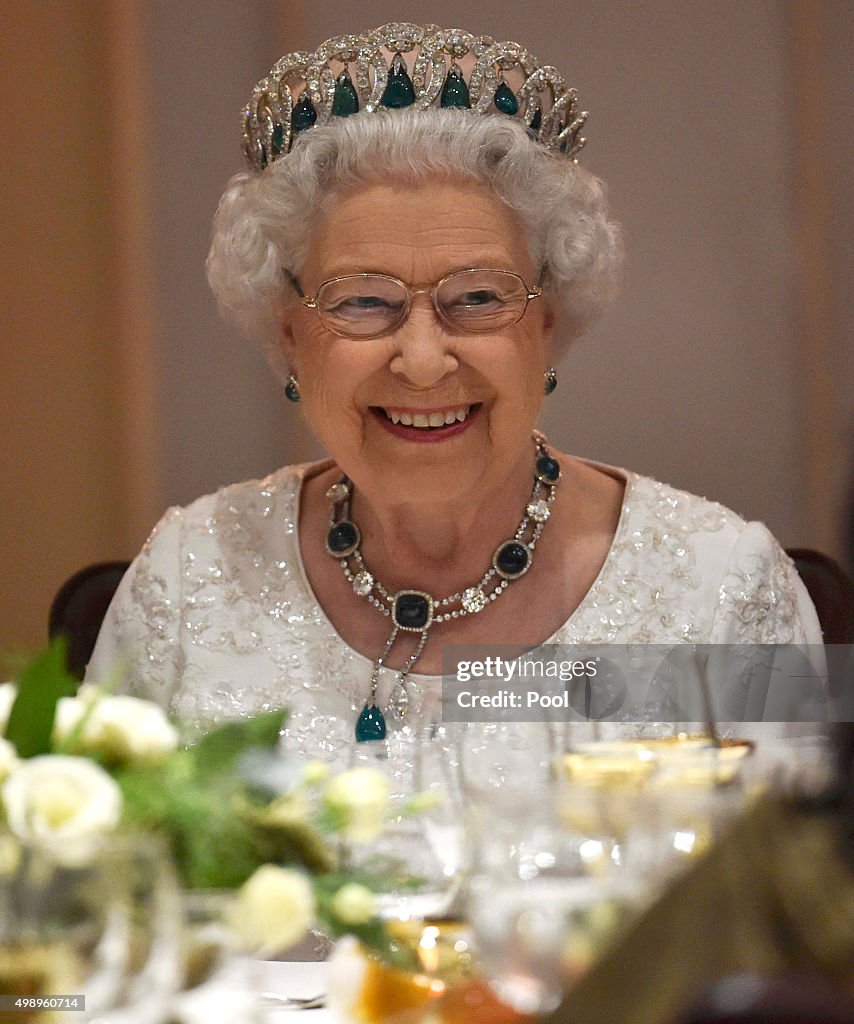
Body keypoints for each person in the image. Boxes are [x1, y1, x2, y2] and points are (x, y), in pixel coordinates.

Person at [86, 23, 822, 765]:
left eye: (476, 297)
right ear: (288, 336)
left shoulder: (721, 591)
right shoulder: (187, 576)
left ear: (548, 320)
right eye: (362, 302)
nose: (424, 360)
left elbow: (795, 875)